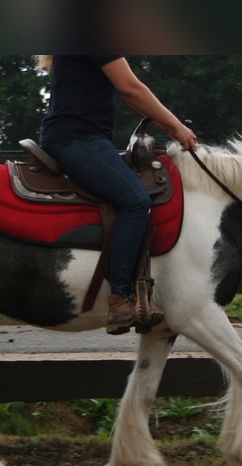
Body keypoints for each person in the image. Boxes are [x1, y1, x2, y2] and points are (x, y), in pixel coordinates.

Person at [37, 55, 198, 334]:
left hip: (81, 137)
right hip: (77, 138)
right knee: (135, 200)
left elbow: (132, 98)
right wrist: (177, 127)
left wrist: (168, 126)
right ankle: (120, 298)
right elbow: (131, 88)